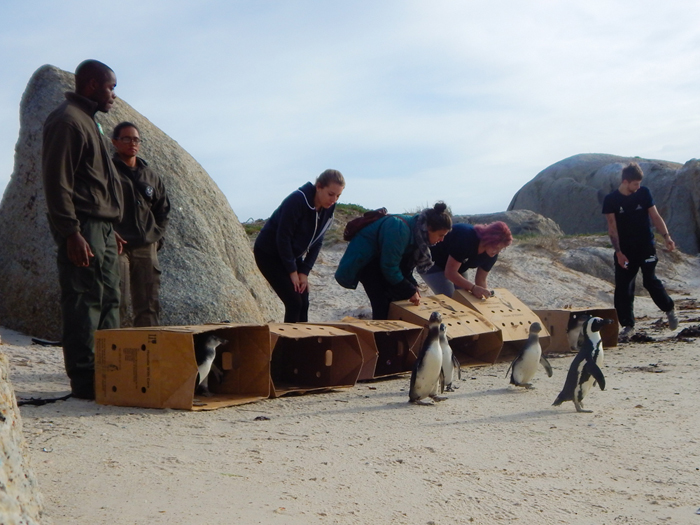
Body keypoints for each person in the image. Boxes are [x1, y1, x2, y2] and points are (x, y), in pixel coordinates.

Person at [42, 59, 123, 399]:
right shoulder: (67, 120)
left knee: (111, 301)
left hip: (102, 228)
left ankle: (114, 375)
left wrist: (109, 227)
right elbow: (57, 183)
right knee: (83, 301)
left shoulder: (90, 121)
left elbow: (97, 183)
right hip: (82, 227)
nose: (114, 96)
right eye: (110, 87)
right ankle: (86, 382)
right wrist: (72, 232)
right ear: (91, 85)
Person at [254, 170, 345, 322]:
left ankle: (304, 343)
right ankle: (289, 345)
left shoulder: (329, 208)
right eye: (331, 194)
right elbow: (283, 238)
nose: (334, 199)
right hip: (268, 253)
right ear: (319, 187)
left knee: (304, 302)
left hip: (292, 255)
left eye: (338, 196)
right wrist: (292, 271)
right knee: (294, 302)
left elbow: (318, 241)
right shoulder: (297, 200)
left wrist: (304, 271)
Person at [335, 202, 452, 320]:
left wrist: (412, 286)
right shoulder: (400, 229)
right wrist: (410, 290)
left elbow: (405, 267)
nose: (442, 240)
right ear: (429, 228)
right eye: (440, 235)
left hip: (381, 261)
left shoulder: (418, 233)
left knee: (399, 298)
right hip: (367, 261)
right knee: (383, 305)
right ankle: (381, 334)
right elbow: (389, 267)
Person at [603, 162, 678, 340]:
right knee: (623, 288)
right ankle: (628, 326)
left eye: (639, 184)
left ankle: (669, 309)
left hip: (646, 247)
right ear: (626, 181)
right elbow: (612, 228)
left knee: (650, 281)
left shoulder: (644, 193)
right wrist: (619, 253)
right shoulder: (611, 200)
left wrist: (667, 236)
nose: (638, 187)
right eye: (635, 184)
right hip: (626, 251)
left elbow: (655, 216)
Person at [111, 122, 170, 327]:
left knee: (148, 303)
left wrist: (156, 237)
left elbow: (162, 209)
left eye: (135, 139)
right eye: (126, 138)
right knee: (115, 300)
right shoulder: (107, 172)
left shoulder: (150, 175)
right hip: (118, 245)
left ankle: (148, 353)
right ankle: (112, 349)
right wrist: (109, 232)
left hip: (146, 245)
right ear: (115, 142)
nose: (132, 143)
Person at [420, 221, 512, 299]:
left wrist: (484, 294)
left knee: (466, 299)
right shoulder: (466, 239)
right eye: (496, 247)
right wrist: (473, 288)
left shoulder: (492, 254)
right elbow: (450, 273)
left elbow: (481, 279)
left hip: (458, 267)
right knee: (451, 300)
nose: (496, 252)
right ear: (487, 239)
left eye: (501, 249)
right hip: (432, 262)